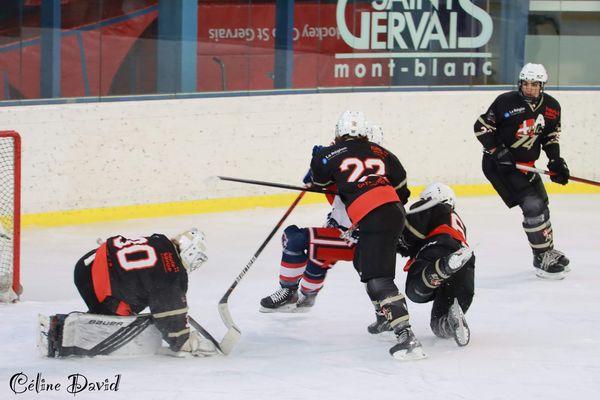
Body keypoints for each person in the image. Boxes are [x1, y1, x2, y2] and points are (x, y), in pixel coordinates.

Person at [307, 110, 424, 360]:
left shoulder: (328, 153)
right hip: (394, 212)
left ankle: (407, 337)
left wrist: (319, 162)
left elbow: (318, 181)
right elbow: (402, 189)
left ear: (339, 132)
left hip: (372, 215)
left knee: (378, 280)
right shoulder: (382, 152)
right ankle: (384, 317)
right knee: (362, 259)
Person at [259, 124, 385, 313]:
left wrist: (322, 162)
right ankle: (306, 298)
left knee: (294, 238)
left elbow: (317, 182)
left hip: (352, 238)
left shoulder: (358, 171)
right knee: (318, 258)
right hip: (346, 232)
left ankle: (289, 292)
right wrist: (318, 164)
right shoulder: (375, 169)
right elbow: (315, 182)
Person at [474, 63, 570, 280]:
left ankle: (547, 250)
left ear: (542, 86)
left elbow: (550, 137)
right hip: (500, 166)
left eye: (534, 84)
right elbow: (481, 127)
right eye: (526, 83)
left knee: (542, 203)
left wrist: (555, 160)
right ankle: (541, 257)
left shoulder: (552, 107)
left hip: (527, 165)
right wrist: (497, 150)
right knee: (532, 206)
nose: (529, 88)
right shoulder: (505, 101)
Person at [72, 228, 217, 357]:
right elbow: (168, 308)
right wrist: (183, 340)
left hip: (88, 264)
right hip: (102, 283)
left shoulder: (160, 241)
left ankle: (90, 322)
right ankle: (75, 332)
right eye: (197, 259)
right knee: (120, 321)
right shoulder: (172, 271)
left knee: (133, 295)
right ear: (190, 251)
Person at [368, 183, 475, 347]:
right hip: (465, 261)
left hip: (437, 248)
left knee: (415, 291)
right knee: (438, 322)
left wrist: (388, 238)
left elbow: (410, 234)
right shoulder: (456, 219)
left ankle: (444, 267)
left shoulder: (432, 206)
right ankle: (451, 322)